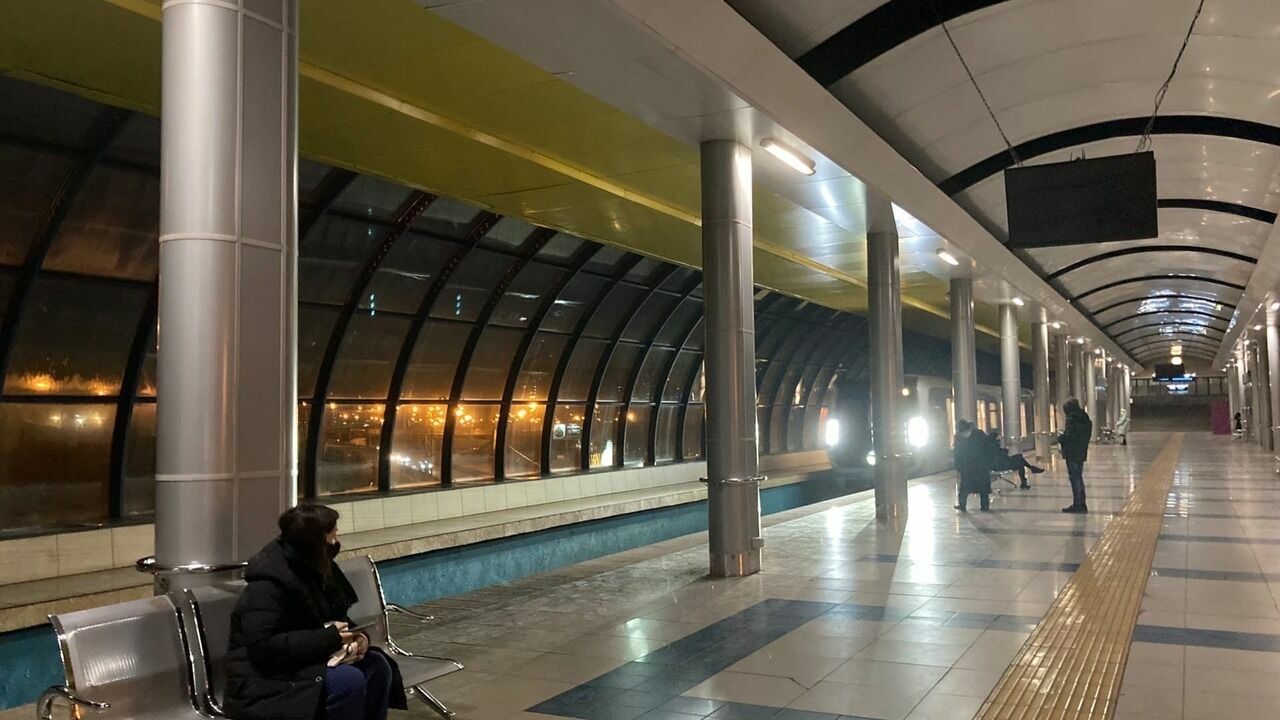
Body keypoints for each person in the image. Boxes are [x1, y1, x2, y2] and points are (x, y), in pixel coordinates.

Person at [225, 505, 407, 720]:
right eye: (332, 534)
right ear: (315, 540)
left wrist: (358, 639)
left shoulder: (317, 566)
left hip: (310, 660)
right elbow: (264, 646)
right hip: (268, 678)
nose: (336, 541)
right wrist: (329, 638)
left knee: (377, 666)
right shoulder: (269, 582)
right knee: (348, 681)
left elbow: (339, 619)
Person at [1058, 398, 1093, 513]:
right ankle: (1082, 503)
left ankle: (1077, 504)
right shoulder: (1085, 418)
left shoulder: (1072, 419)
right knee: (1079, 477)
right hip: (1081, 452)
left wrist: (1061, 438)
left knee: (1075, 478)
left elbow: (1070, 437)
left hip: (1072, 453)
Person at [953, 420, 991, 512]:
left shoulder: (979, 435)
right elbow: (957, 453)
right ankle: (963, 505)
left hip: (979, 466)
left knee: (981, 487)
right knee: (965, 487)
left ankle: (984, 506)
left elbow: (986, 449)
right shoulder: (960, 438)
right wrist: (959, 466)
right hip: (968, 467)